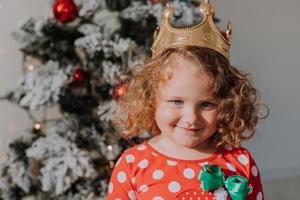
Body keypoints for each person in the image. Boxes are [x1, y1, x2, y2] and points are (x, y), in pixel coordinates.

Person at [107, 1, 268, 199]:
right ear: (151, 98)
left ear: (227, 105)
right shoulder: (133, 164)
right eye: (177, 102)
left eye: (207, 104)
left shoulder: (240, 162)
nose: (191, 118)